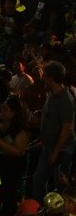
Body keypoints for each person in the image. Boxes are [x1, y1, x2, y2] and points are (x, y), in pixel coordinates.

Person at [32, 60, 74, 199]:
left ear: (50, 78)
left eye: (44, 75)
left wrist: (55, 152)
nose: (42, 77)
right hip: (49, 146)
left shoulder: (65, 100)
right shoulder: (51, 94)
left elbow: (66, 128)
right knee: (39, 179)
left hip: (61, 149)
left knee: (61, 184)